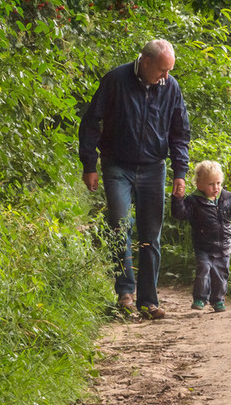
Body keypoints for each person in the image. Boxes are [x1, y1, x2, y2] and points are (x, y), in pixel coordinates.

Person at [79, 39, 190, 320]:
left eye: (169, 71)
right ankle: (125, 293)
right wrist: (89, 164)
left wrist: (180, 172)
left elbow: (180, 132)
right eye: (162, 70)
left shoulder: (171, 87)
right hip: (117, 165)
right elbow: (91, 122)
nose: (166, 76)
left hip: (154, 167)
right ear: (146, 61)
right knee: (119, 225)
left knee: (150, 235)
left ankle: (148, 302)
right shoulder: (115, 79)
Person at [171, 160, 231, 312]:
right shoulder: (194, 201)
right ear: (199, 185)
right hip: (204, 246)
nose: (216, 188)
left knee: (221, 274)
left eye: (218, 183)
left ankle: (218, 300)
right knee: (203, 272)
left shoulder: (226, 197)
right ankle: (200, 299)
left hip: (224, 245)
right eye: (211, 184)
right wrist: (177, 199)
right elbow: (180, 214)